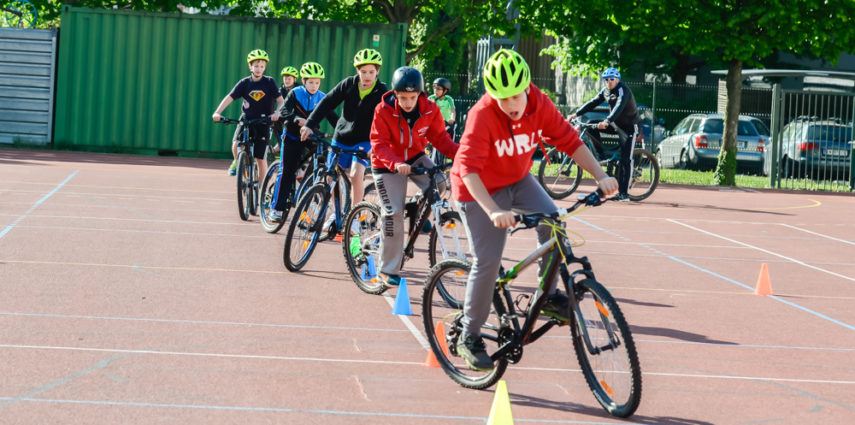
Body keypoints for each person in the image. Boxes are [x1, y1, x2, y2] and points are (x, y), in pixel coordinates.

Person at [450, 49, 618, 371]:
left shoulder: (540, 103)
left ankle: (549, 297)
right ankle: (469, 335)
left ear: (527, 87)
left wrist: (601, 175)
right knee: (488, 260)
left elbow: (569, 140)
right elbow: (468, 169)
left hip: (517, 177)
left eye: (516, 96)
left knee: (554, 223)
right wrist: (492, 211)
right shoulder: (482, 114)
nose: (511, 106)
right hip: (478, 190)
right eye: (502, 99)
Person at [369, 66, 459, 286]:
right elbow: (378, 144)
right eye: (402, 97)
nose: (408, 102)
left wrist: (462, 154)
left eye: (412, 97)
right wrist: (395, 162)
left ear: (420, 93)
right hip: (387, 164)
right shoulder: (383, 110)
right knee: (393, 214)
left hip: (415, 156)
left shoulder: (430, 109)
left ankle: (416, 208)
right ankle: (387, 268)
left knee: (439, 182)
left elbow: (440, 139)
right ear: (395, 94)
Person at [300, 48, 388, 238]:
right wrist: (309, 125)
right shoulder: (348, 84)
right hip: (341, 138)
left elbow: (390, 119)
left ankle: (354, 218)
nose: (367, 76)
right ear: (357, 71)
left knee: (357, 175)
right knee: (331, 177)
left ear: (377, 71)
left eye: (371, 72)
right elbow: (326, 103)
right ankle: (335, 213)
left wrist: (379, 146)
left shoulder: (383, 92)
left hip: (365, 141)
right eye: (363, 72)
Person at [267, 62, 339, 223]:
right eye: (311, 82)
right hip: (292, 136)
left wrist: (344, 131)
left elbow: (334, 119)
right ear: (304, 81)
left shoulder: (322, 97)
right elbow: (284, 111)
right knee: (287, 170)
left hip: (311, 137)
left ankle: (308, 189)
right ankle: (276, 209)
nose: (314, 85)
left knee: (324, 160)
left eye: (317, 82)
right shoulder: (295, 93)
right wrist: (295, 119)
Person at [567, 67, 640, 201]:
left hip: (629, 128)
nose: (609, 82)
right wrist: (575, 114)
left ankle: (623, 194)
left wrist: (607, 121)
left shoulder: (623, 90)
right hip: (615, 124)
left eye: (612, 79)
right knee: (591, 125)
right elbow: (592, 102)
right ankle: (601, 156)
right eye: (606, 80)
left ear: (618, 79)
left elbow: (619, 106)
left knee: (626, 159)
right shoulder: (606, 91)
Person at [212, 49, 283, 181]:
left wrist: (277, 112)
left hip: (264, 121)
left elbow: (281, 101)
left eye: (262, 66)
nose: (259, 69)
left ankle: (262, 191)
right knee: (236, 144)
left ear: (265, 67)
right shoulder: (245, 83)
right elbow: (230, 97)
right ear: (250, 66)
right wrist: (218, 112)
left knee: (260, 159)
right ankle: (237, 162)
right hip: (246, 119)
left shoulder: (269, 82)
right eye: (256, 66)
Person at [271, 66, 300, 153]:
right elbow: (273, 101)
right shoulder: (281, 90)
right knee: (274, 121)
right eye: (285, 78)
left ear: (295, 79)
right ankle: (280, 143)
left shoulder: (299, 89)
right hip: (285, 115)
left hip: (297, 116)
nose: (286, 81)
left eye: (289, 79)